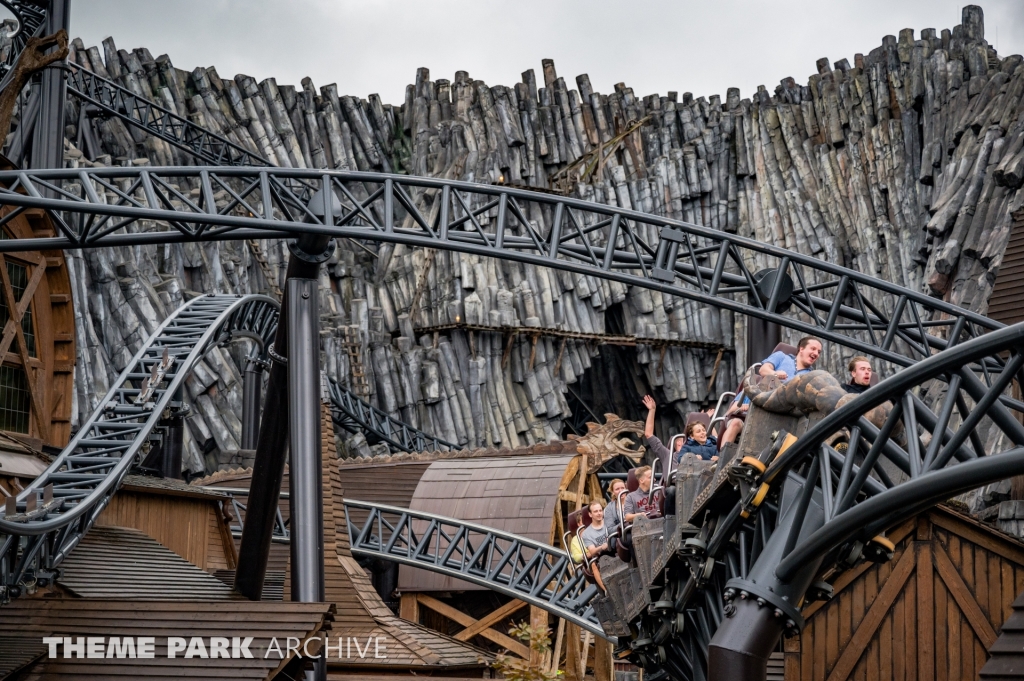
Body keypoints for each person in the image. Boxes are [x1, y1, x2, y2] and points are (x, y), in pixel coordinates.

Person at [722, 336, 823, 446]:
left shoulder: (811, 377)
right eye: (813, 349)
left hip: (785, 418)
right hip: (754, 407)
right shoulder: (782, 357)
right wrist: (775, 374)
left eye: (819, 352)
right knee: (735, 424)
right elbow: (763, 370)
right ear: (801, 349)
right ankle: (720, 460)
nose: (816, 353)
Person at [580, 500, 609, 591]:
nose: (599, 513)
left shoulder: (609, 522)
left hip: (614, 546)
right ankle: (605, 590)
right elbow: (592, 551)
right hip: (601, 554)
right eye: (596, 511)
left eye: (600, 510)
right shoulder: (587, 533)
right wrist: (602, 547)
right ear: (590, 514)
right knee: (593, 563)